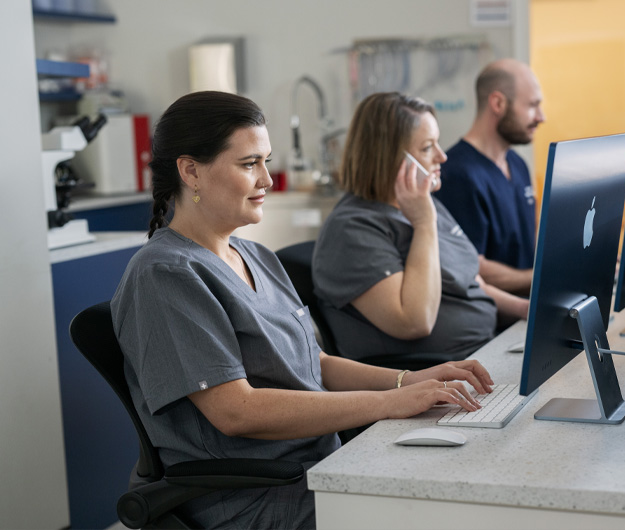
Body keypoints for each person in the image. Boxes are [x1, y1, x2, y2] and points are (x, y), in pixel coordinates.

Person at [110, 91, 494, 530]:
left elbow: (318, 364)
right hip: (253, 497)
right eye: (249, 163)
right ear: (190, 171)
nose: (267, 180)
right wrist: (389, 403)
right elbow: (238, 411)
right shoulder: (164, 275)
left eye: (265, 161)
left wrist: (412, 380)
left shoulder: (255, 255)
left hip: (319, 468)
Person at [312, 92, 529, 370]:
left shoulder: (421, 202)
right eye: (428, 148)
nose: (442, 155)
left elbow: (472, 283)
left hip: (487, 350)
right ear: (388, 157)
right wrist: (424, 224)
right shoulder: (353, 229)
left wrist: (527, 310)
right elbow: (416, 321)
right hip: (436, 373)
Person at [434, 58, 545, 297]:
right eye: (532, 106)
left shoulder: (517, 164)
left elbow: (530, 239)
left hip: (529, 311)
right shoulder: (457, 175)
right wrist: (542, 278)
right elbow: (473, 266)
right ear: (497, 103)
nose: (541, 117)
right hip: (494, 325)